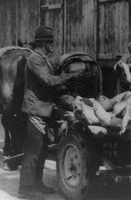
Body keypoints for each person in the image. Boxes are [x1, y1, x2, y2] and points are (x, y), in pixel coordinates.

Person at [19, 26, 83, 200]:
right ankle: (25, 189)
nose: (53, 46)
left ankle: (37, 184)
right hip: (36, 109)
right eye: (51, 43)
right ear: (44, 44)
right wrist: (69, 76)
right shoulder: (34, 59)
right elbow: (47, 80)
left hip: (44, 108)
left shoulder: (43, 59)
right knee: (33, 151)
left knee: (43, 149)